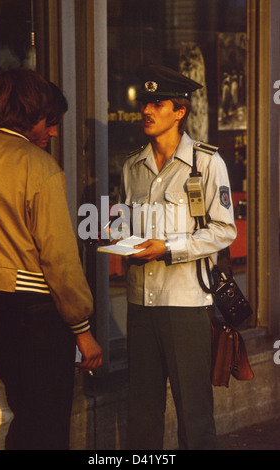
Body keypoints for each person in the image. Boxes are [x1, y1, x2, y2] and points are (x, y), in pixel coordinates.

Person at [120, 64, 237, 450]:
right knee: (141, 412)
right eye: (145, 103)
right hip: (140, 303)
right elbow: (129, 221)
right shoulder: (132, 167)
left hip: (186, 305)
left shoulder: (206, 163)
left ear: (180, 111)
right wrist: (120, 236)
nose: (147, 110)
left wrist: (168, 248)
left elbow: (224, 230)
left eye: (158, 103)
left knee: (194, 413)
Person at [0, 68, 102, 450]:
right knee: (47, 425)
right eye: (47, 122)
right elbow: (60, 261)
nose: (52, 133)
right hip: (35, 313)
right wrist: (83, 331)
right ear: (29, 112)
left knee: (24, 415)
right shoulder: (38, 166)